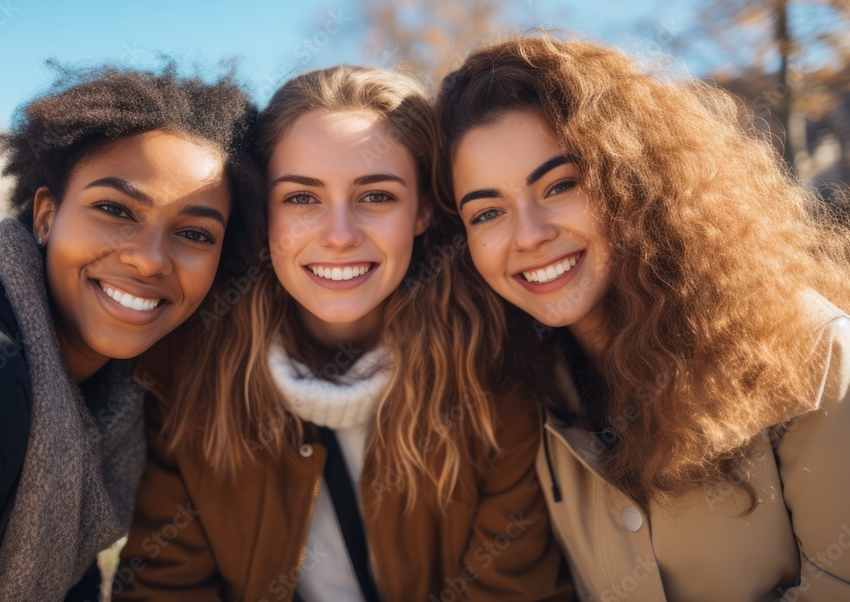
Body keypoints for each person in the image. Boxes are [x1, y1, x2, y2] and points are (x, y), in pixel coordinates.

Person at [113, 65, 572, 601]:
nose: (339, 236)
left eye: (376, 196)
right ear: (265, 212)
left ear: (422, 208)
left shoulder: (494, 372)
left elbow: (514, 591)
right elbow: (163, 588)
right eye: (302, 198)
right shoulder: (190, 370)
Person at [434, 33, 850, 601]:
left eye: (559, 185)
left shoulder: (808, 346)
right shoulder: (511, 394)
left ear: (633, 181)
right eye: (487, 213)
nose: (528, 235)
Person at [0, 61, 262, 602]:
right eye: (115, 209)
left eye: (194, 233)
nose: (148, 259)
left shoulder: (101, 399)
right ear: (45, 215)